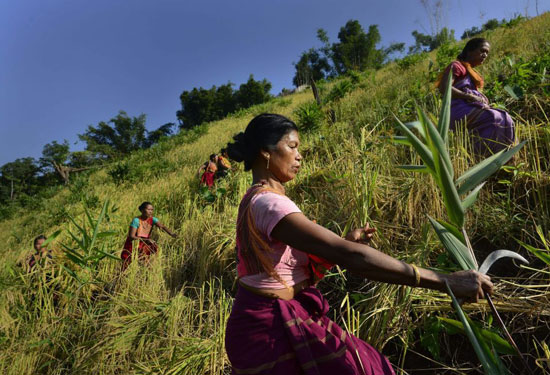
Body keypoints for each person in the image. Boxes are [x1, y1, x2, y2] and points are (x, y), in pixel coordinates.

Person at [224, 113, 493, 374]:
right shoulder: (270, 203)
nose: (299, 155)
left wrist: (344, 242)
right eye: (292, 146)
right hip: (268, 331)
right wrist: (446, 281)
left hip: (265, 321)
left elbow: (281, 262)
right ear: (265, 152)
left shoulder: (256, 198)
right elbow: (353, 258)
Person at [436, 37, 515, 153]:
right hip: (457, 109)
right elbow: (444, 88)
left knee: (505, 118)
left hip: (469, 108)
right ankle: (481, 156)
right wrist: (470, 96)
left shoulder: (472, 73)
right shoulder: (457, 66)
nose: (485, 55)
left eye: (487, 53)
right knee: (492, 117)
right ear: (470, 51)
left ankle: (503, 155)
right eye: (482, 51)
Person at [121, 201, 177, 269]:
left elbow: (162, 227)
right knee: (126, 264)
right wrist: (146, 240)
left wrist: (171, 234)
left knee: (145, 264)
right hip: (133, 244)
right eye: (148, 209)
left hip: (144, 244)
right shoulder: (136, 220)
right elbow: (131, 236)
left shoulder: (153, 219)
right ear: (142, 210)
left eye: (152, 210)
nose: (150, 211)